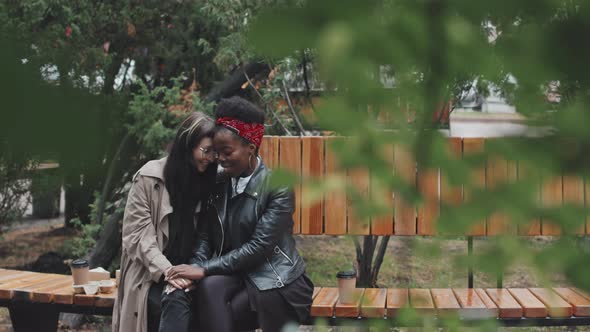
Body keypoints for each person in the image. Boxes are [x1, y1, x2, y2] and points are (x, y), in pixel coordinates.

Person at [167, 96, 314, 332]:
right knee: (207, 289)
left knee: (228, 312)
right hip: (233, 272)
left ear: (251, 148)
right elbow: (205, 236)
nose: (221, 160)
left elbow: (259, 247)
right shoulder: (218, 183)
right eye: (216, 152)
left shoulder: (277, 187)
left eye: (227, 152)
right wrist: (193, 269)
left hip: (274, 276)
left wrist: (204, 269)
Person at [112, 112, 218, 332]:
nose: (210, 159)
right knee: (174, 301)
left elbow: (206, 238)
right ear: (186, 145)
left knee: (205, 303)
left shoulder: (210, 183)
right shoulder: (149, 178)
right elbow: (138, 237)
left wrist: (191, 271)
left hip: (190, 272)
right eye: (206, 151)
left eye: (214, 153)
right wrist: (169, 272)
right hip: (150, 273)